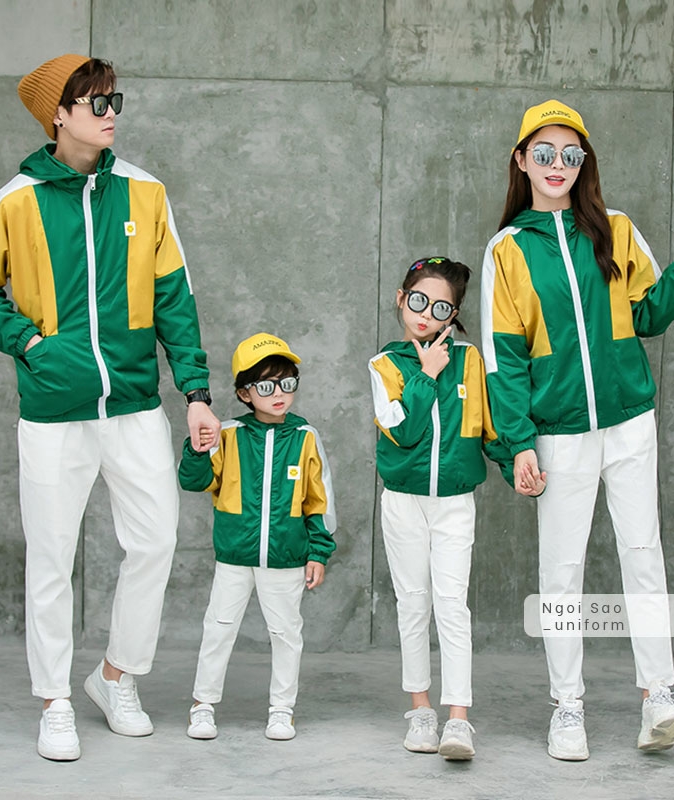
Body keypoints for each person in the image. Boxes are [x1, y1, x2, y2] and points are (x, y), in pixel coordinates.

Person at [0, 54, 220, 761]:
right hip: (54, 411)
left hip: (134, 405)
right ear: (58, 115)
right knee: (52, 556)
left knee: (157, 541)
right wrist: (32, 345)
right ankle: (54, 699)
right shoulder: (16, 200)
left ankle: (115, 676)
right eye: (96, 102)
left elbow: (175, 299)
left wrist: (196, 394)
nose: (111, 113)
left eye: (115, 100)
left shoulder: (145, 193)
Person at [481, 99, 674, 760]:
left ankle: (659, 696)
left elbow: (650, 315)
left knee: (643, 555)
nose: (557, 164)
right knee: (561, 572)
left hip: (630, 421)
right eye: (543, 153)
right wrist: (518, 444)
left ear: (583, 161)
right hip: (558, 433)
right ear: (521, 161)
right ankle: (567, 708)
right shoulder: (508, 250)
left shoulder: (616, 229)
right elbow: (504, 359)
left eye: (570, 153)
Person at [368, 257, 516, 760]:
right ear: (400, 299)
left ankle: (458, 719)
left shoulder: (471, 360)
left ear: (452, 315)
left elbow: (489, 426)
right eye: (418, 301)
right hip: (403, 503)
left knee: (452, 605)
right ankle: (421, 711)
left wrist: (516, 466)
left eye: (440, 308)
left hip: (455, 503)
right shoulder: (384, 365)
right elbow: (404, 431)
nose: (425, 315)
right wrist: (427, 374)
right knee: (413, 604)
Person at [178, 332, 336, 741]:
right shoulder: (228, 434)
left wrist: (318, 552)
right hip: (234, 555)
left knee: (286, 635)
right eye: (266, 386)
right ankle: (202, 705)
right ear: (244, 393)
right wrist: (197, 448)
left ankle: (282, 710)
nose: (279, 394)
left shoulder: (305, 437)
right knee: (218, 628)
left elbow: (319, 502)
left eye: (287, 383)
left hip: (286, 558)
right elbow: (194, 481)